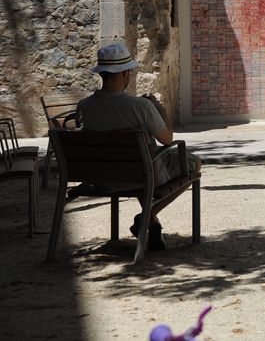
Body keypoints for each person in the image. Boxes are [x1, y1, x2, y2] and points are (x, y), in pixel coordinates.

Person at [77, 43, 201, 251]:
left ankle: (152, 224)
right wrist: (159, 109)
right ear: (124, 73)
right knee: (192, 163)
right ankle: (146, 217)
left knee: (137, 166)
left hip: (103, 179)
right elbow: (167, 139)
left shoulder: (84, 107)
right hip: (143, 174)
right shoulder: (141, 107)